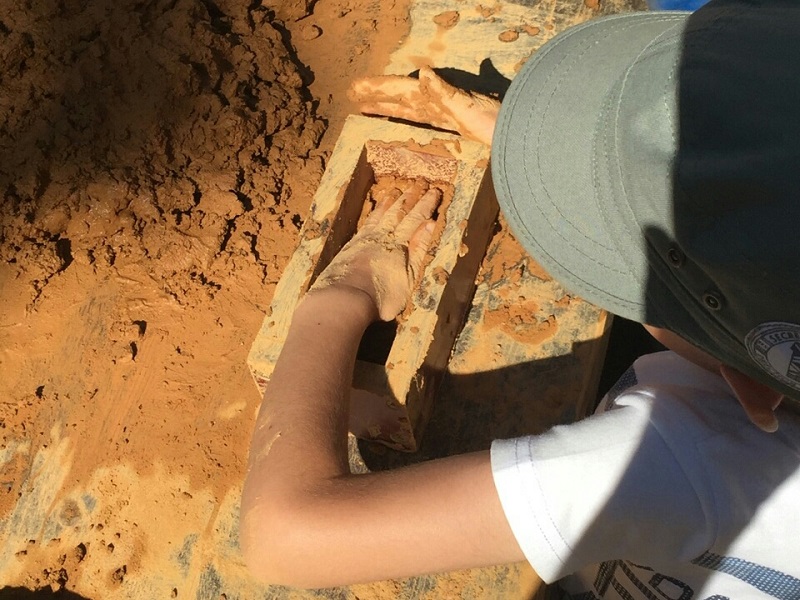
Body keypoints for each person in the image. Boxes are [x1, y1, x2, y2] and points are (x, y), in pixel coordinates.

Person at [239, 0, 800, 597]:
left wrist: (338, 298)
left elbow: (283, 535)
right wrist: (537, 147)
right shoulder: (770, 374)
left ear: (751, 383)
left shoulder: (691, 467)